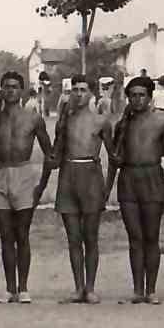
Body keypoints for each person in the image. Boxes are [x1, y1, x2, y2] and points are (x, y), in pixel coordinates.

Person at [0, 70, 53, 303]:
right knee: (5, 235)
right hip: (0, 173)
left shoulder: (33, 118)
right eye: (6, 87)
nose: (10, 90)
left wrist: (41, 185)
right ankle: (9, 288)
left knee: (22, 234)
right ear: (1, 90)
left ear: (21, 90)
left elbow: (49, 155)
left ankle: (23, 288)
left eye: (14, 86)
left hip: (24, 174)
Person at [40, 76, 111, 302]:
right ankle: (78, 287)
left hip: (91, 176)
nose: (79, 94)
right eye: (75, 91)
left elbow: (115, 155)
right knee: (73, 237)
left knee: (90, 236)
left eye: (83, 90)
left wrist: (107, 187)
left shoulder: (101, 122)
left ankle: (90, 288)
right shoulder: (65, 122)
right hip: (68, 176)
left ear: (91, 93)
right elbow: (55, 156)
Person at [109, 74, 164, 303]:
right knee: (135, 237)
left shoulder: (162, 124)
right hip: (129, 179)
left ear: (149, 97)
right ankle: (138, 289)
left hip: (152, 178)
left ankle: (152, 289)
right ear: (127, 98)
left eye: (141, 95)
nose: (137, 100)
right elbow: (114, 158)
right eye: (132, 95)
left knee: (151, 236)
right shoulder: (122, 125)